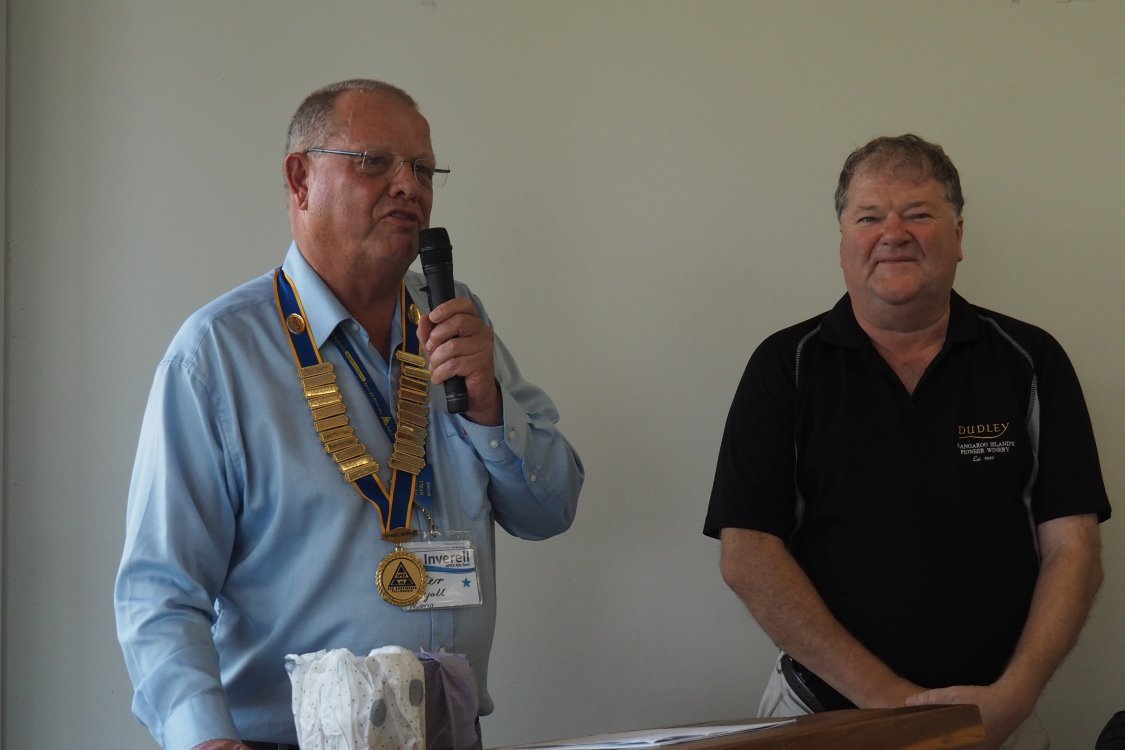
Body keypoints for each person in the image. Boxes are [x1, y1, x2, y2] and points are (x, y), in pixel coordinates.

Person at [115, 79, 584, 750]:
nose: (408, 186)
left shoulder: (454, 320)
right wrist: (203, 738)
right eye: (374, 162)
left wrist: (489, 409)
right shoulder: (217, 355)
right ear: (299, 179)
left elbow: (550, 509)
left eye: (423, 169)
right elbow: (160, 592)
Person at [704, 134, 1110, 750]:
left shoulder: (1031, 360)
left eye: (918, 213)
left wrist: (1016, 696)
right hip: (824, 716)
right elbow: (748, 556)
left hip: (999, 720)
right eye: (869, 217)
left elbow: (1073, 549)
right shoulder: (786, 365)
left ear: (959, 235)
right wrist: (895, 705)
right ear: (843, 240)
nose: (893, 234)